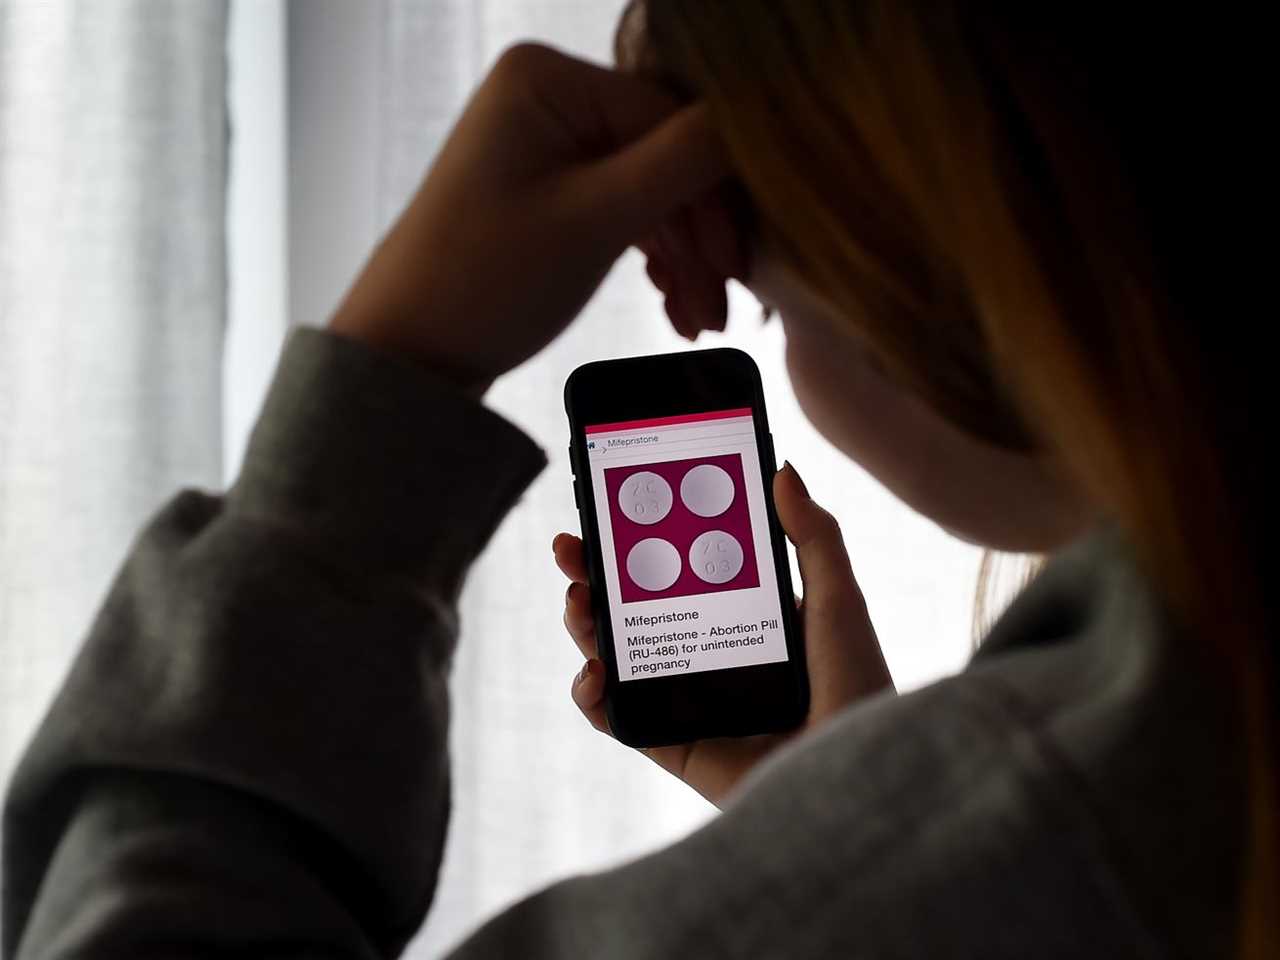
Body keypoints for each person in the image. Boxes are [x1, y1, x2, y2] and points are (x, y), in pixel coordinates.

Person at [2, 2, 1271, 957]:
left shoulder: (1073, 812)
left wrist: (388, 378)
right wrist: (855, 813)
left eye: (771, 314)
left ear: (925, 272)